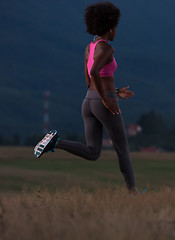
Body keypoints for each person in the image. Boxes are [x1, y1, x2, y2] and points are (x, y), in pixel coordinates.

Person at [34, 2, 136, 192]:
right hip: (103, 102)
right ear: (111, 27)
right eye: (116, 28)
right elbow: (95, 72)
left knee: (93, 152)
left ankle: (55, 141)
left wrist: (116, 91)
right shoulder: (107, 49)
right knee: (122, 149)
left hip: (88, 102)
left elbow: (88, 80)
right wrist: (107, 99)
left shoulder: (89, 47)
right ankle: (133, 193)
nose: (116, 32)